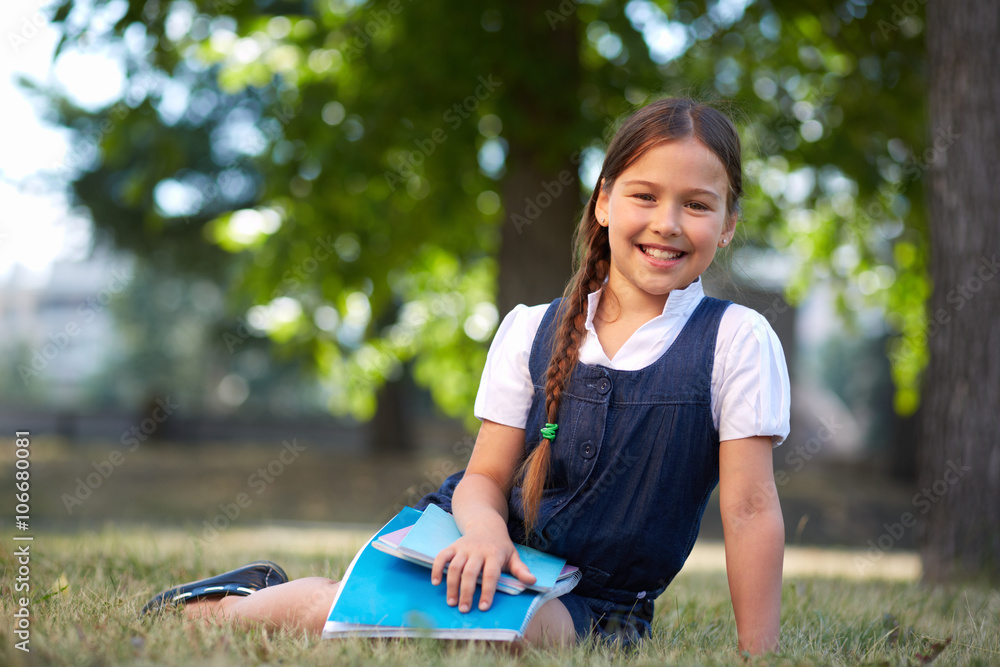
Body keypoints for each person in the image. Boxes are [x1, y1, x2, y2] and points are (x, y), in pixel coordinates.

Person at [143, 97, 789, 654]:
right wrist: (482, 532)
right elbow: (484, 477)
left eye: (697, 204)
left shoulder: (735, 341)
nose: (667, 222)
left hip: (598, 604)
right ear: (603, 203)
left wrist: (756, 655)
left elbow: (751, 507)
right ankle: (225, 606)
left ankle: (279, 596)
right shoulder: (533, 329)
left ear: (728, 223)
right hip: (471, 549)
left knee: (522, 633)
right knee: (349, 617)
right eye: (644, 195)